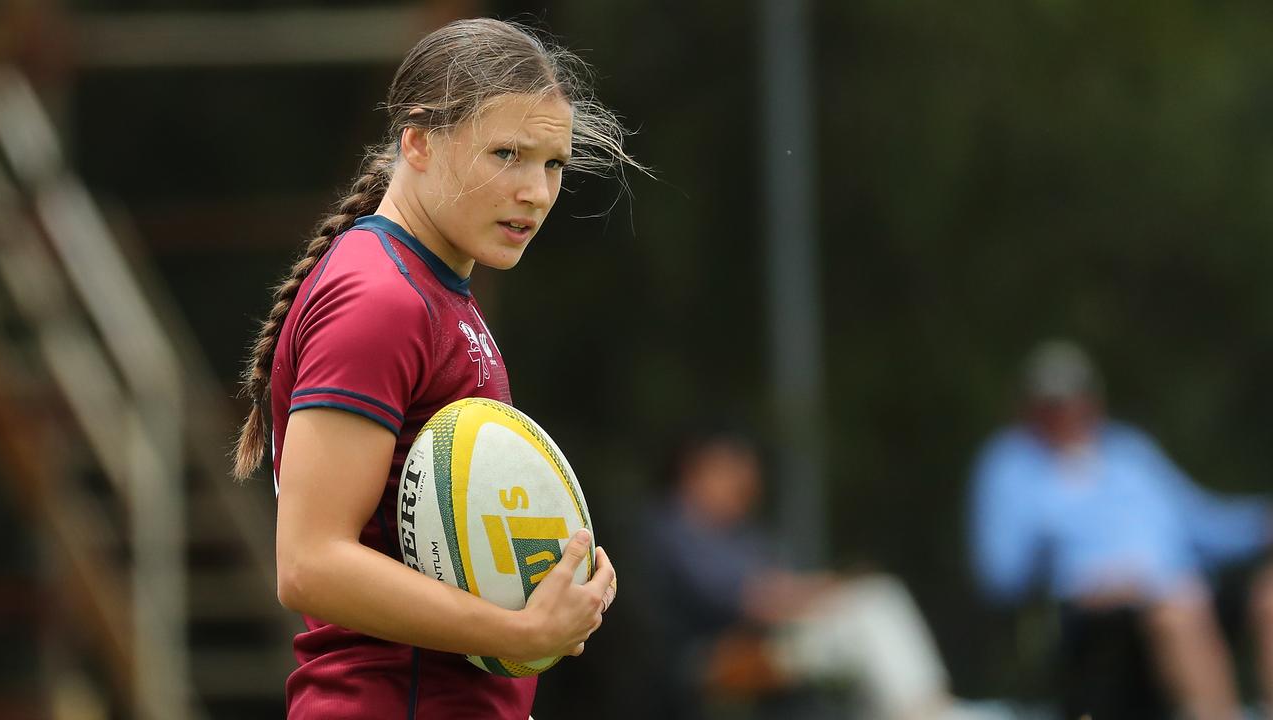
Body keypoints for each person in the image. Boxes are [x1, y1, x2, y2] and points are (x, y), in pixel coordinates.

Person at [229, 18, 637, 719]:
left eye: (553, 164)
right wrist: (521, 631)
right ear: (417, 141)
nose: (536, 192)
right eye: (506, 153)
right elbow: (309, 564)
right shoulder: (380, 297)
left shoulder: (436, 291)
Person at [969, 339, 1273, 719]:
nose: (1066, 412)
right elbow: (1001, 573)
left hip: (1181, 588)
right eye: (1052, 404)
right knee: (1178, 611)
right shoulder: (1010, 465)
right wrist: (1083, 571)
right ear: (1030, 408)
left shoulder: (1129, 451)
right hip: (1093, 616)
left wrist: (1263, 520)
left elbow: (1203, 524)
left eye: (1075, 399)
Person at [645, 426, 992, 720]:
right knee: (871, 611)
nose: (742, 488)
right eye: (731, 474)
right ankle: (933, 712)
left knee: (874, 605)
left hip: (772, 643)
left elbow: (777, 590)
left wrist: (827, 591)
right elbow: (756, 602)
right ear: (696, 470)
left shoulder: (740, 533)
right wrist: (826, 593)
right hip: (712, 659)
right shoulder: (676, 529)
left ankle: (930, 710)